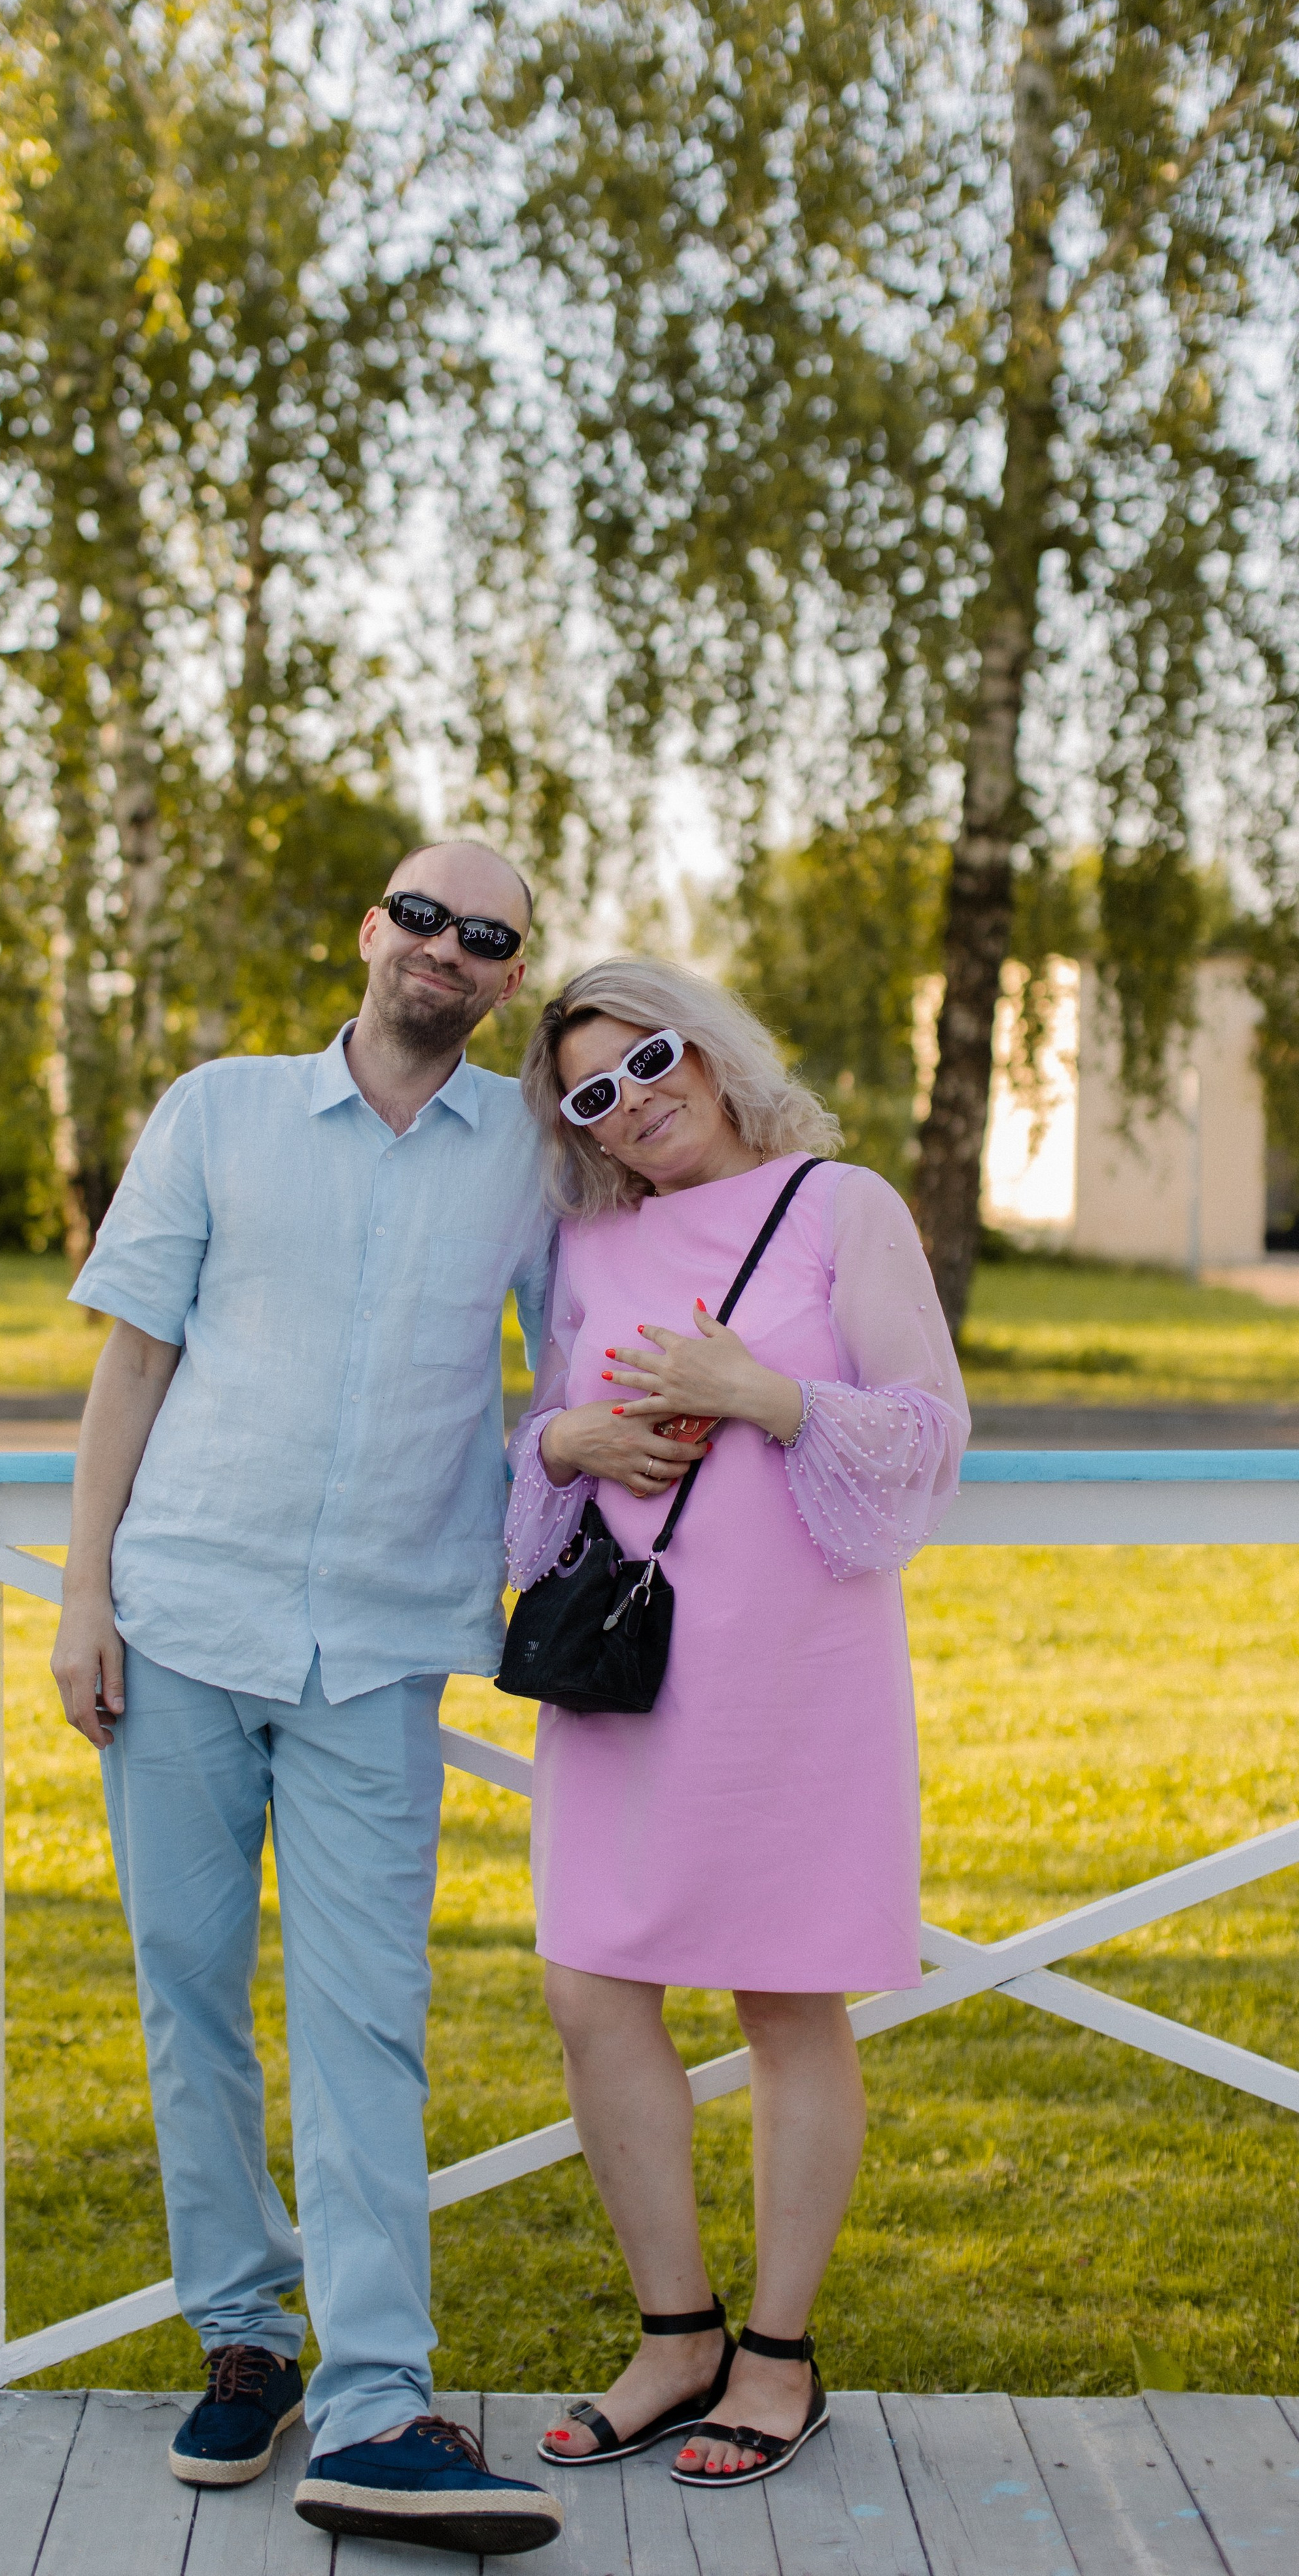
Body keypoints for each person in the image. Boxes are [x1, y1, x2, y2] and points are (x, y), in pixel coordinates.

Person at [51, 841, 564, 2557]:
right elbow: (134, 1356)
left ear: (505, 980)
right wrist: (81, 1595)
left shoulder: (530, 1158)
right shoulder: (218, 1111)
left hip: (380, 1646)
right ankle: (244, 2341)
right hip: (183, 1612)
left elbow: (584, 1346)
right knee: (187, 1994)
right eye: (421, 915)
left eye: (484, 936)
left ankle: (373, 2403)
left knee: (367, 2021)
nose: (444, 947)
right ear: (370, 933)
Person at [504, 958, 968, 2494]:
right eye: (590, 1092)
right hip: (624, 1672)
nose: (630, 1104)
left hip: (795, 1680)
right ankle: (672, 2333)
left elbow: (924, 1435)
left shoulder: (841, 1205)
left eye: (646, 1064)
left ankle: (776, 2353)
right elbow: (541, 1446)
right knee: (588, 1992)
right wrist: (568, 1435)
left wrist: (757, 1392)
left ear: (704, 1052)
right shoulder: (585, 1239)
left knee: (785, 2002)